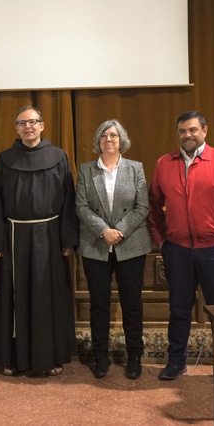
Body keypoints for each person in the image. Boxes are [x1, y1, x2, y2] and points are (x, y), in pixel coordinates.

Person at [0, 106, 78, 376]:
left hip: (49, 236)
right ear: (16, 128)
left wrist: (68, 238)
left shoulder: (58, 156)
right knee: (15, 297)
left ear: (42, 126)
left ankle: (52, 356)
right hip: (15, 238)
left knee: (49, 296)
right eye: (23, 123)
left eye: (33, 122)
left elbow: (69, 198)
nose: (29, 127)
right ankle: (13, 357)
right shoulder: (5, 158)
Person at [148, 111, 214, 381]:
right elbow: (154, 204)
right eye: (182, 131)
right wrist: (160, 239)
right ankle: (176, 361)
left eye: (192, 130)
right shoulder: (164, 163)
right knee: (178, 308)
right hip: (177, 250)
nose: (187, 135)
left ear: (205, 130)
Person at [76, 120, 152, 380]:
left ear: (122, 141)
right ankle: (100, 358)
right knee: (99, 305)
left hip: (130, 245)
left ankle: (134, 358)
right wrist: (103, 231)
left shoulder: (136, 169)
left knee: (132, 304)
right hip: (96, 245)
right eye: (104, 135)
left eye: (114, 135)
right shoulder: (86, 170)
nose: (109, 139)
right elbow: (81, 207)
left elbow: (142, 207)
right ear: (98, 140)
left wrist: (118, 230)